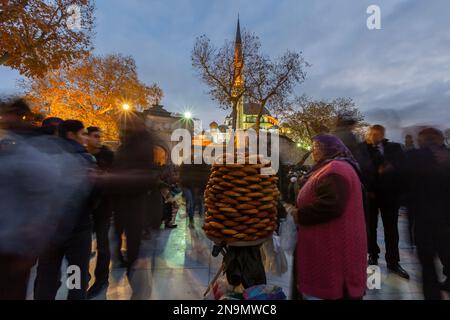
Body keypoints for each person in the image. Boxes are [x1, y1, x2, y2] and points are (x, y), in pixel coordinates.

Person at [0, 100, 62, 299]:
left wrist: (33, 238)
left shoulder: (33, 153)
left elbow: (45, 198)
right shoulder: (11, 147)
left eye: (11, 114)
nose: (6, 119)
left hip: (15, 244)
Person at [293, 134, 367, 300]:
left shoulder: (336, 170)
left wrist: (299, 215)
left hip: (334, 248)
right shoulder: (330, 166)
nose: (313, 151)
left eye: (317, 147)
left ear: (329, 149)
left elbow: (331, 206)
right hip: (329, 245)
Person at [34, 120, 97, 300]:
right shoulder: (85, 159)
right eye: (83, 134)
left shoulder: (41, 155)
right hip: (77, 229)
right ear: (71, 134)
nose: (86, 138)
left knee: (47, 276)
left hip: (48, 228)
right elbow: (92, 195)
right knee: (76, 275)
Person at [403, 128, 450, 299]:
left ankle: (433, 295)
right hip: (446, 220)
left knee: (428, 267)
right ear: (440, 139)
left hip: (422, 220)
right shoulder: (447, 156)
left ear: (420, 141)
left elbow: (402, 186)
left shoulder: (412, 157)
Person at [361, 124, 409, 279]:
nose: (374, 136)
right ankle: (372, 255)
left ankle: (393, 261)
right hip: (370, 195)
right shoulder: (362, 149)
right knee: (370, 227)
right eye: (372, 134)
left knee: (391, 229)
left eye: (378, 134)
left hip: (389, 195)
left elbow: (402, 168)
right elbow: (360, 169)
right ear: (368, 135)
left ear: (383, 134)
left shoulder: (394, 147)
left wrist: (391, 168)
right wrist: (368, 188)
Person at [85, 127, 115, 299]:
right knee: (82, 248)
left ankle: (102, 279)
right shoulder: (82, 154)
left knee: (103, 246)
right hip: (85, 208)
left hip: (103, 207)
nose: (98, 139)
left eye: (99, 137)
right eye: (95, 136)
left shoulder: (108, 156)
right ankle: (82, 278)